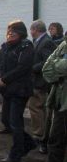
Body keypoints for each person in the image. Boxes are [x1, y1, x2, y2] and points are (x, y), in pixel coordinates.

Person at [0, 20, 37, 162]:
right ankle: (29, 143)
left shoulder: (26, 46)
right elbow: (0, 63)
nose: (10, 33)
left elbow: (23, 67)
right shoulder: (7, 47)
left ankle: (15, 154)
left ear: (21, 33)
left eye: (14, 31)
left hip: (20, 90)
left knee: (15, 122)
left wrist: (4, 79)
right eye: (9, 30)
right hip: (8, 90)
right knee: (7, 120)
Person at [32, 35, 67, 162]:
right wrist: (62, 67)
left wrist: (58, 65)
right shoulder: (63, 46)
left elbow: (55, 67)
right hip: (60, 100)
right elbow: (47, 70)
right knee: (55, 139)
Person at [28, 20, 57, 152]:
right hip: (38, 81)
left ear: (35, 29)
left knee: (37, 108)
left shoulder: (45, 42)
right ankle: (40, 134)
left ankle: (39, 135)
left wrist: (33, 68)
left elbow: (48, 61)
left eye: (31, 29)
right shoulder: (41, 41)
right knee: (38, 108)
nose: (30, 32)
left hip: (41, 82)